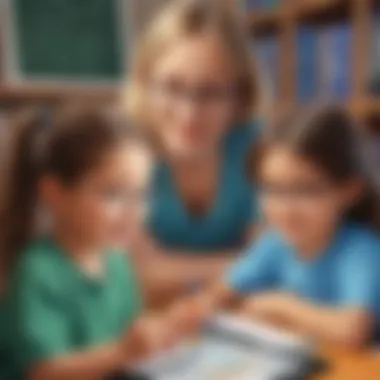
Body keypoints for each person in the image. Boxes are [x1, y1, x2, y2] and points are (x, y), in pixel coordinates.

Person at [170, 105, 380, 348]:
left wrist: (280, 305)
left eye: (306, 190)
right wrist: (195, 310)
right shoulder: (275, 244)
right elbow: (222, 291)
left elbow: (352, 331)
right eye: (272, 189)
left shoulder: (362, 251)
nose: (285, 209)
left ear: (349, 192)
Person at [1, 104, 175, 380]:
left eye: (141, 194)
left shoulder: (117, 263)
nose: (133, 212)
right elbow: (43, 372)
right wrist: (124, 352)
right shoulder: (35, 272)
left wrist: (156, 334)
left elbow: (129, 331)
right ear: (55, 194)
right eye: (112, 194)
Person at [126, 0, 263, 303]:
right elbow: (131, 273)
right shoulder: (121, 150)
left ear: (239, 96)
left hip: (237, 320)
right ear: (144, 84)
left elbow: (276, 267)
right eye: (172, 87)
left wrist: (166, 269)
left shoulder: (259, 148)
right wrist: (241, 265)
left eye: (211, 92)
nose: (189, 113)